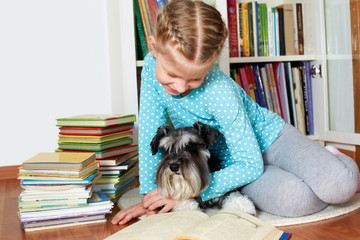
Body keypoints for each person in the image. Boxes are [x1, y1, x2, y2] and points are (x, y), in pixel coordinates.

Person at [111, 0, 359, 225]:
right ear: (154, 48)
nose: (180, 87)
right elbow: (149, 135)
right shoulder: (150, 69)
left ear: (211, 64)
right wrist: (150, 196)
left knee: (339, 185)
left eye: (195, 78)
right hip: (231, 165)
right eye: (172, 75)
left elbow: (250, 162)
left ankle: (329, 157)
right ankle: (307, 170)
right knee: (297, 200)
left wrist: (191, 191)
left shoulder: (220, 90)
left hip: (272, 140)